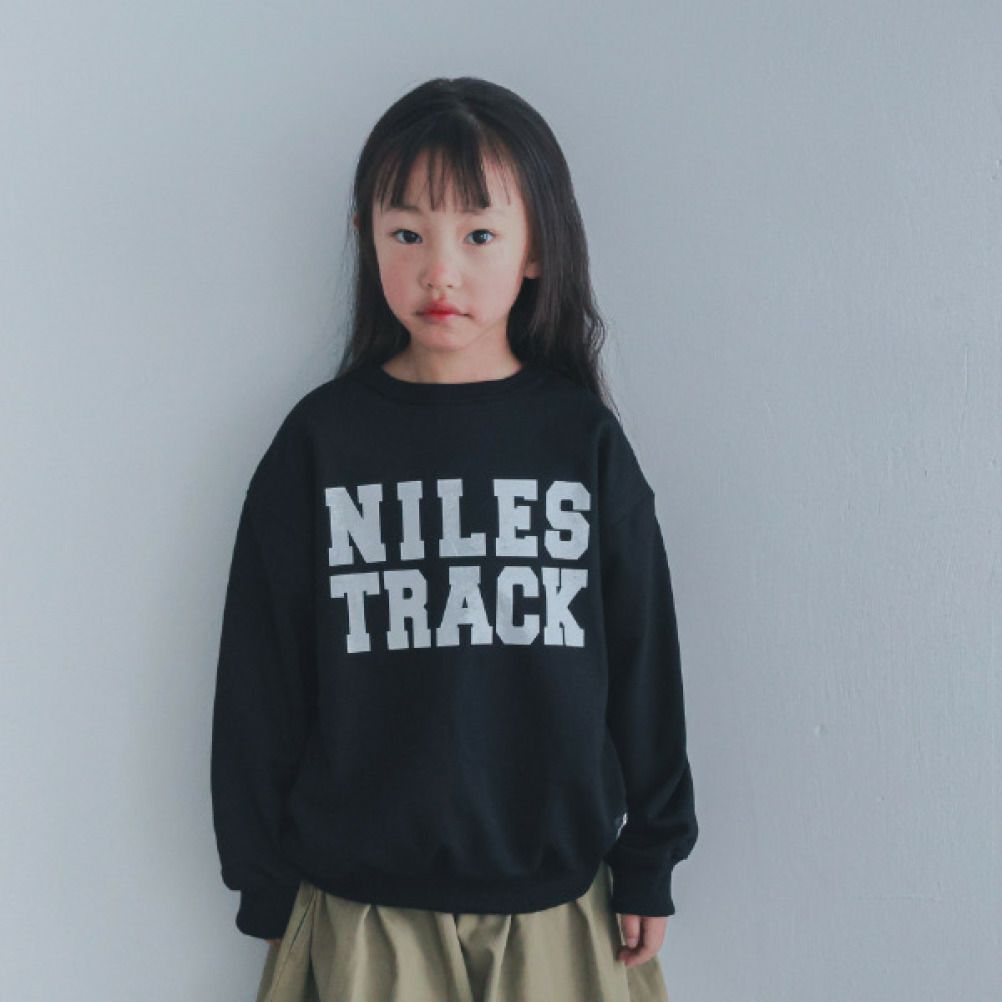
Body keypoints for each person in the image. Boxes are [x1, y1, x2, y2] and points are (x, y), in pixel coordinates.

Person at [210, 76, 698, 1002]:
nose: (441, 271)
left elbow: (644, 657)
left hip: (559, 909)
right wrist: (260, 873)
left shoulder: (581, 442)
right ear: (367, 239)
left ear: (537, 247)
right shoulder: (321, 443)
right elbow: (259, 675)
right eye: (408, 234)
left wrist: (653, 852)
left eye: (478, 235)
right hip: (363, 913)